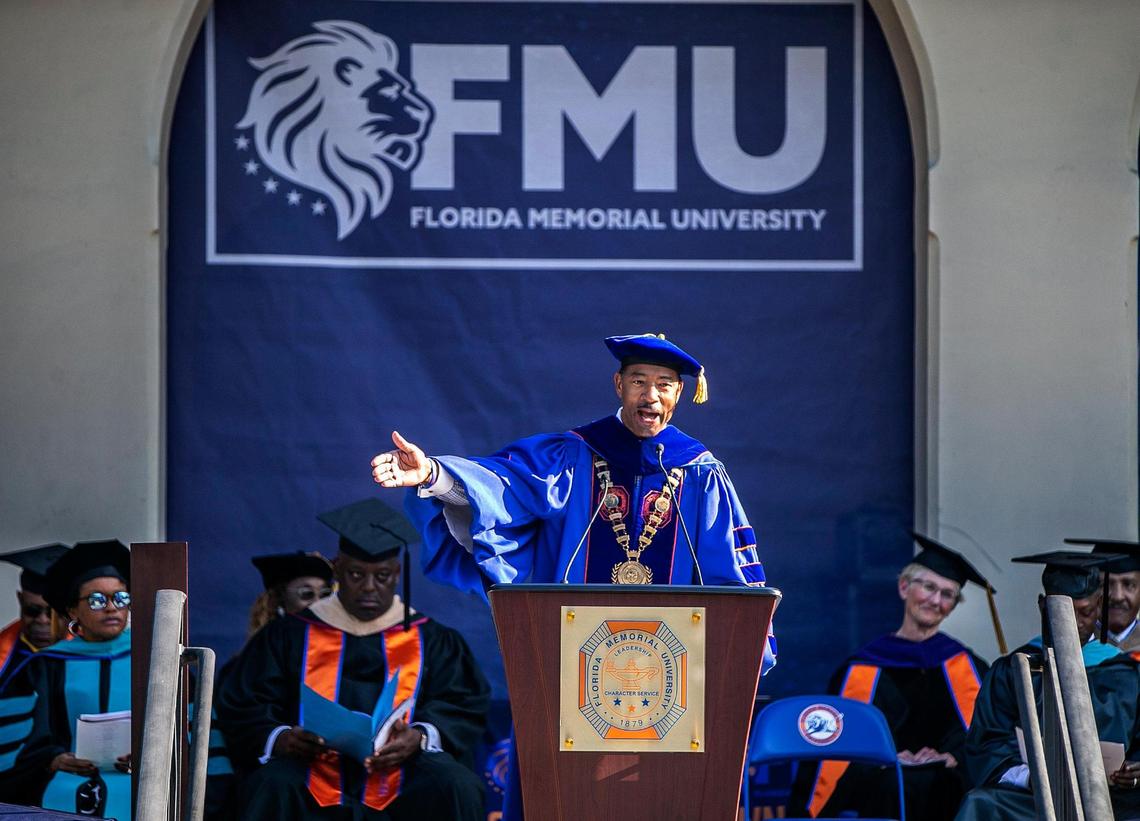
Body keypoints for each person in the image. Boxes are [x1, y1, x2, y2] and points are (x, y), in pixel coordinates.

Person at [370, 332, 773, 821]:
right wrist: (433, 474)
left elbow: (734, 577)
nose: (651, 396)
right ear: (617, 385)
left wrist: (745, 645)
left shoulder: (700, 473)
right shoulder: (574, 456)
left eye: (665, 385)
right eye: (639, 381)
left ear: (680, 395)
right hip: (572, 670)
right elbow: (502, 488)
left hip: (672, 683)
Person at [216, 498, 490, 820]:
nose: (369, 588)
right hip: (309, 770)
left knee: (455, 785)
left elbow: (461, 703)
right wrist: (283, 737)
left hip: (403, 771)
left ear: (397, 574)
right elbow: (245, 702)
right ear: (338, 569)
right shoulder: (288, 634)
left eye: (383, 576)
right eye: (357, 575)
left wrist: (418, 736)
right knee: (272, 784)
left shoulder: (434, 639)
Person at [793, 534, 996, 821]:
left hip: (944, 783)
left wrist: (952, 757)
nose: (935, 600)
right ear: (904, 587)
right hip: (878, 781)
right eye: (928, 587)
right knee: (896, 785)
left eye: (947, 594)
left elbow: (982, 735)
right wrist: (885, 758)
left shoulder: (968, 666)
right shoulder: (861, 667)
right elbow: (837, 744)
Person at [955, 550, 1140, 821]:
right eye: (1061, 611)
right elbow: (988, 745)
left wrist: (1134, 774)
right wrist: (1034, 778)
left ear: (1099, 606)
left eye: (1085, 613)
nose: (1074, 624)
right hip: (1035, 798)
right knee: (981, 803)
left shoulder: (1126, 674)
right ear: (1043, 605)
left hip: (1115, 801)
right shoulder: (1012, 671)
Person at [16, 540, 133, 819]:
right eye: (96, 600)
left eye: (121, 598)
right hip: (62, 788)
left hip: (143, 787)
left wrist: (149, 754)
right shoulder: (46, 665)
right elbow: (19, 741)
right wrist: (53, 759)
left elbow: (188, 730)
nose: (111, 608)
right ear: (72, 611)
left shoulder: (155, 661)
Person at [0, 542, 71, 805]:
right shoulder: (5, 660)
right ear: (20, 600)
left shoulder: (87, 660)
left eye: (51, 613)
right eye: (33, 611)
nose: (42, 620)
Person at [1065, 538, 1140, 652]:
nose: (1117, 597)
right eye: (1105, 585)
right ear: (1091, 589)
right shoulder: (1071, 644)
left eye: (1128, 585)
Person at [247, 550, 335, 635]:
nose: (318, 602)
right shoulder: (267, 646)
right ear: (280, 597)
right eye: (306, 593)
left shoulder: (337, 644)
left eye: (325, 594)